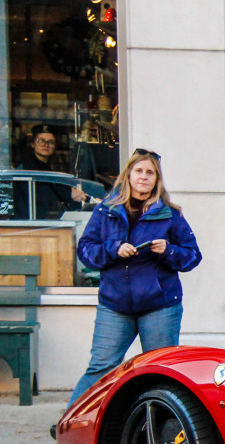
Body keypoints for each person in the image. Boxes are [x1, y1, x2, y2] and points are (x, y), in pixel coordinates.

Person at [67, 149, 202, 406]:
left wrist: (169, 250)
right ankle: (73, 422)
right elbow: (85, 250)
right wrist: (112, 249)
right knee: (101, 367)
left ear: (157, 179)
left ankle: (159, 427)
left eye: (150, 173)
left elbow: (193, 256)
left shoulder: (170, 214)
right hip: (114, 305)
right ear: (128, 175)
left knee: (159, 371)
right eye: (138, 171)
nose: (144, 177)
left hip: (160, 306)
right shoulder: (106, 211)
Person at [17, 124, 81, 218]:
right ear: (33, 144)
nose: (46, 145)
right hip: (26, 221)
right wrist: (69, 193)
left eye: (51, 142)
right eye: (41, 141)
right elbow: (42, 191)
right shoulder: (29, 166)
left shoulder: (44, 166)